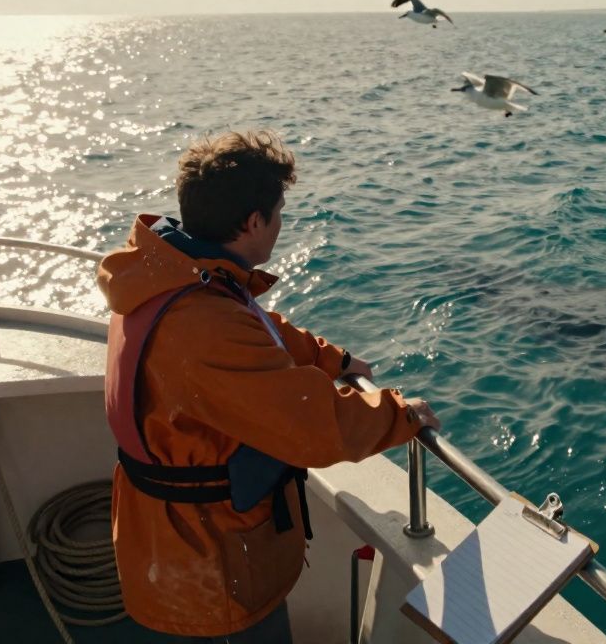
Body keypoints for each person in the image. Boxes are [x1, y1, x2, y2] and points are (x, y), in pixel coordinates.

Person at [97, 130, 439, 642]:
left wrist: (333, 358)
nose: (280, 224)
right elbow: (313, 426)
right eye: (278, 212)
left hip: (170, 537)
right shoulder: (202, 324)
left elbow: (258, 329)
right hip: (210, 563)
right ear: (254, 222)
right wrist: (401, 414)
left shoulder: (169, 275)